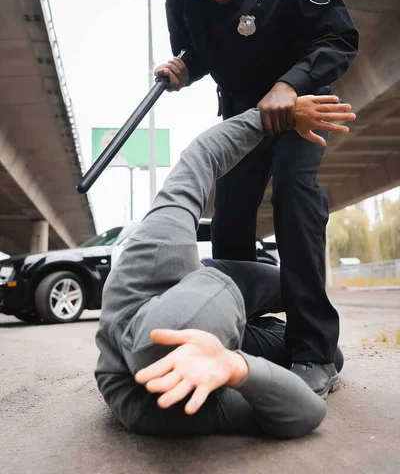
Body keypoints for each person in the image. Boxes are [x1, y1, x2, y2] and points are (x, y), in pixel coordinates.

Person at [155, 0, 359, 395]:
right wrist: (183, 70)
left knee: (294, 193)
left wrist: (292, 83)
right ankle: (243, 337)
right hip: (242, 116)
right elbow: (196, 52)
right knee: (228, 221)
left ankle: (314, 351)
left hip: (303, 105)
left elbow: (341, 36)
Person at [95, 98, 355, 437]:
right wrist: (239, 369)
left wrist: (272, 117)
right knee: (330, 355)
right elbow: (308, 412)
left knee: (291, 285)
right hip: (218, 337)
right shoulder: (156, 406)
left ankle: (245, 300)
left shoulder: (154, 252)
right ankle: (252, 333)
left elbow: (201, 155)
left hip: (220, 278)